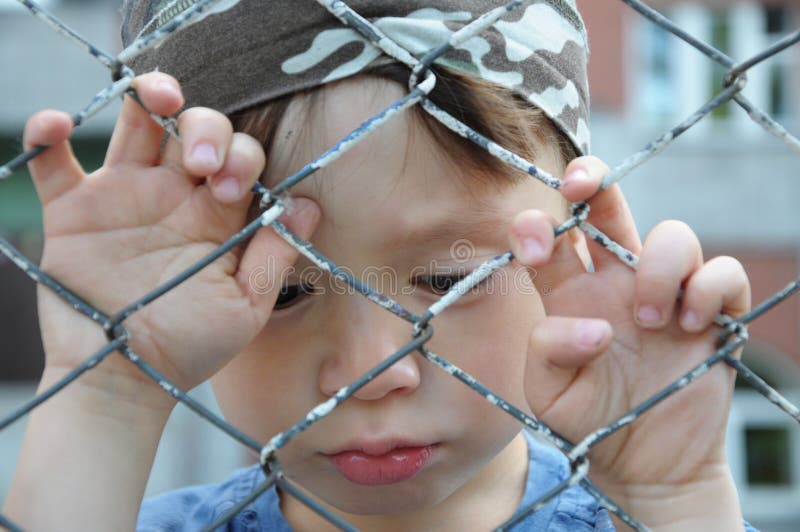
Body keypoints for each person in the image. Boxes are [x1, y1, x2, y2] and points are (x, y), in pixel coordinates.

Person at [4, 0, 756, 530]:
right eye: (285, 288)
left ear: (581, 233)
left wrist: (672, 503)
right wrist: (108, 393)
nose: (370, 368)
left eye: (447, 278)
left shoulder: (659, 516)